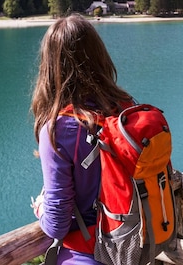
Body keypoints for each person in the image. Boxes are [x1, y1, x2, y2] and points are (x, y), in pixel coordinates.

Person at [30, 14, 133, 264]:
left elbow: (56, 224)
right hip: (133, 243)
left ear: (50, 66)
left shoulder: (58, 129)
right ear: (100, 57)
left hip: (89, 254)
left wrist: (42, 208)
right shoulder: (124, 109)